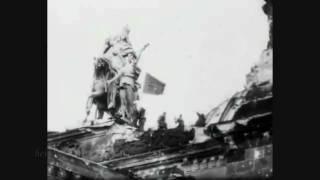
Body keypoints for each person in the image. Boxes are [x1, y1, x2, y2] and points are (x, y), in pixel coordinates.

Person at [106, 43, 149, 122]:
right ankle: (122, 115)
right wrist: (110, 81)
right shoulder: (124, 67)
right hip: (122, 84)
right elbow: (118, 75)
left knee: (129, 101)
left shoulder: (133, 64)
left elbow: (138, 55)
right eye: (128, 56)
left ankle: (131, 117)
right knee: (123, 101)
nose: (129, 57)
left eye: (131, 56)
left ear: (133, 57)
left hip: (130, 84)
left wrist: (143, 48)